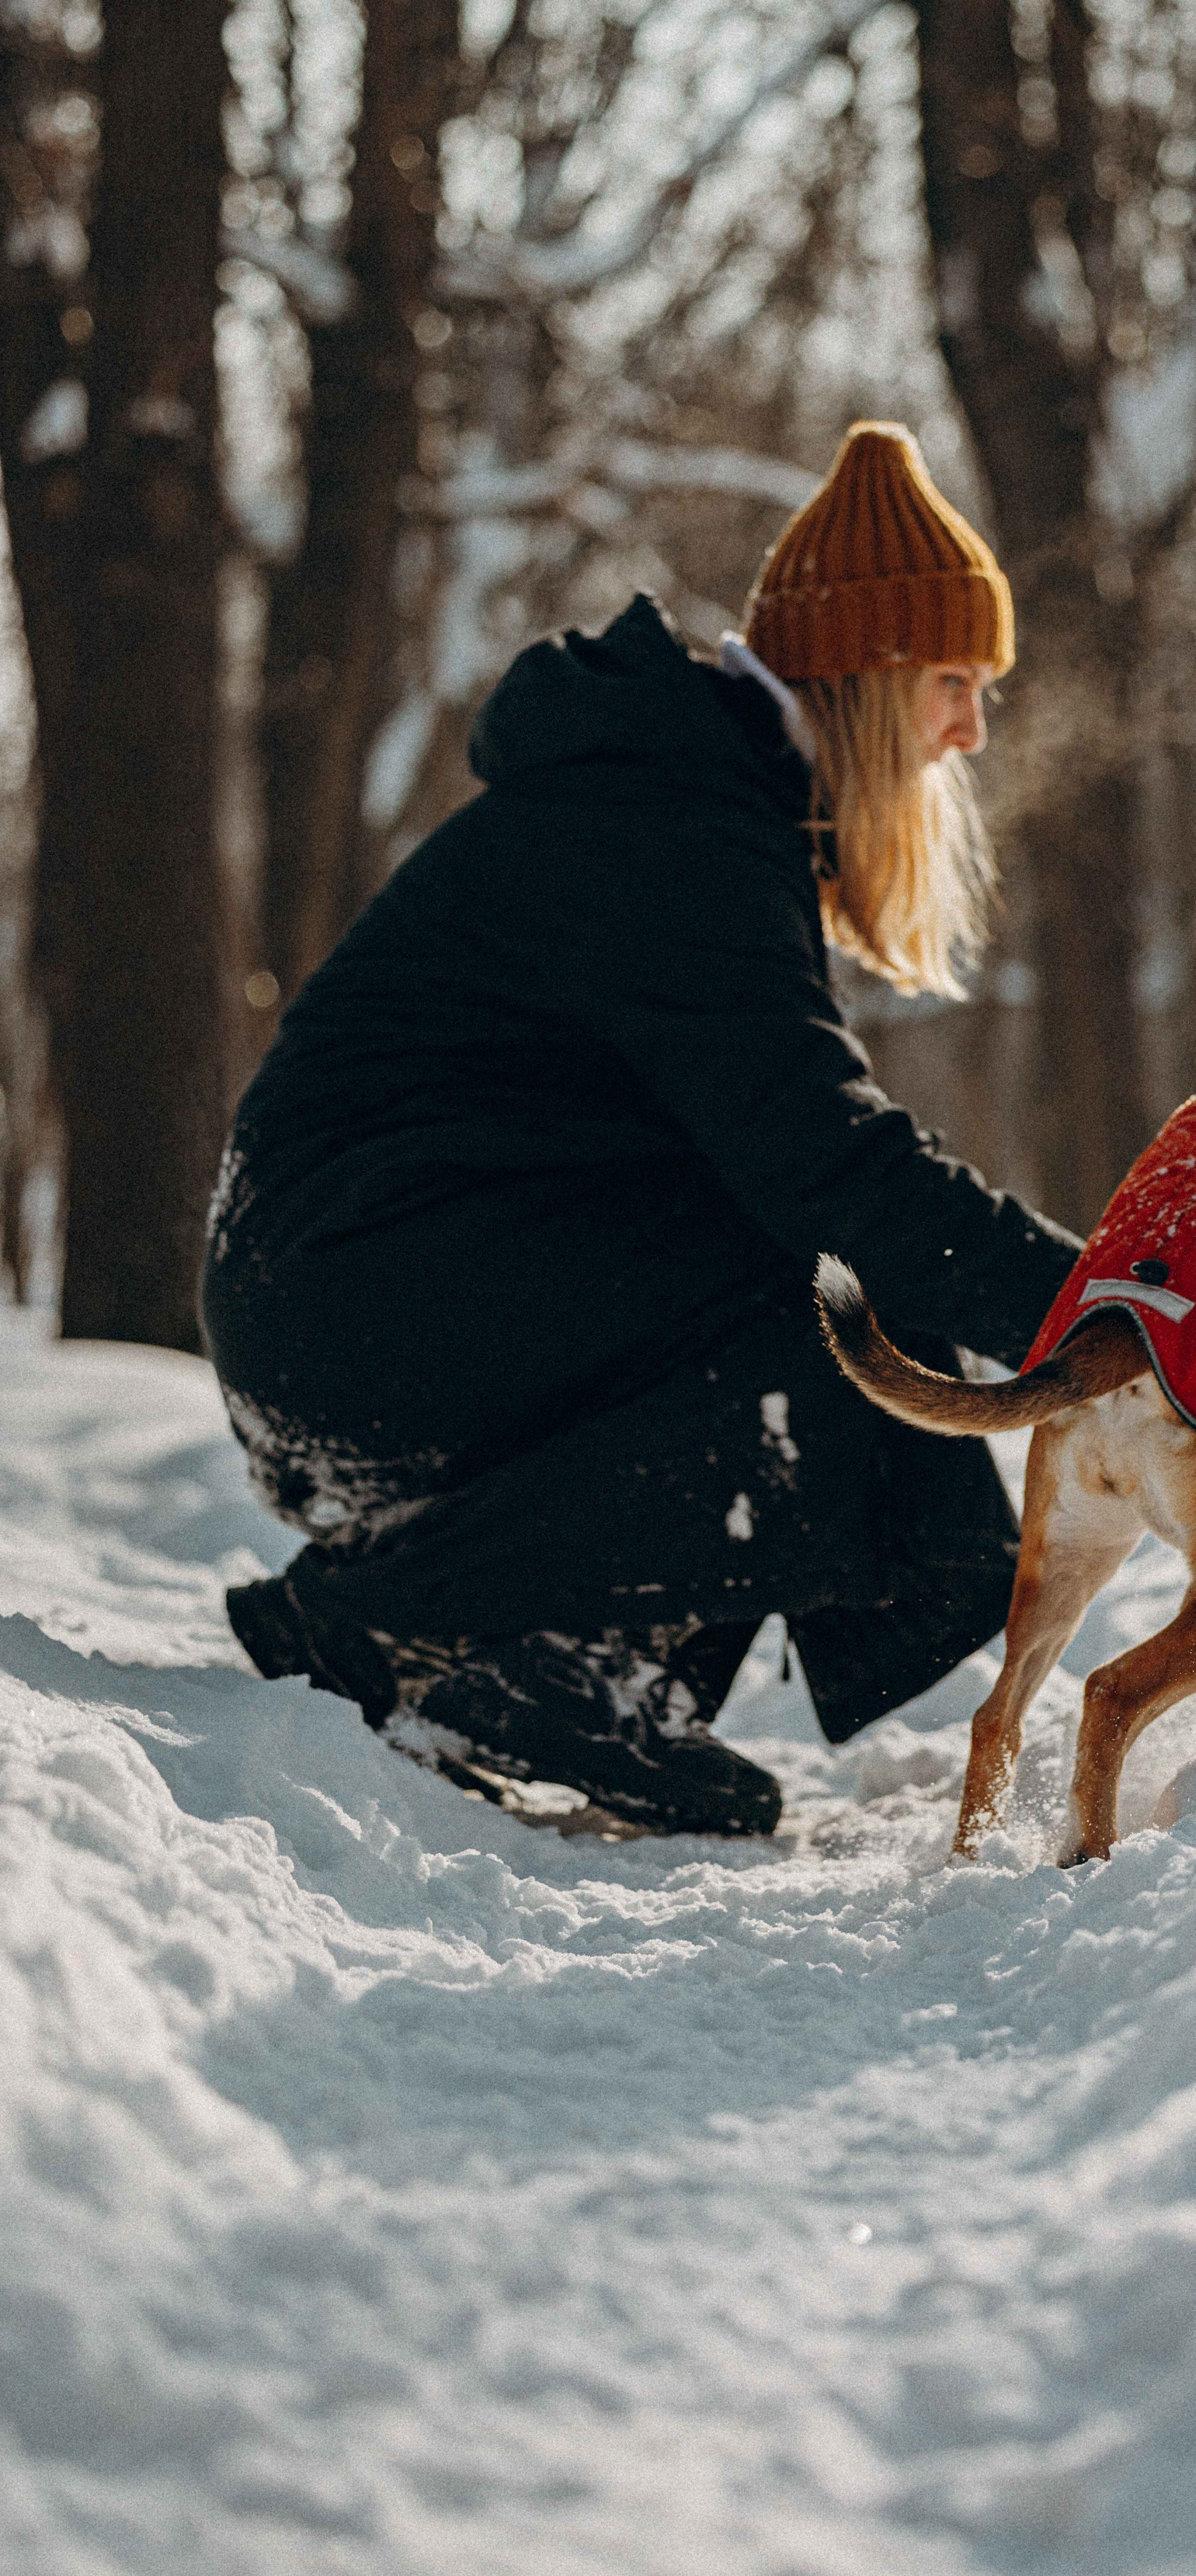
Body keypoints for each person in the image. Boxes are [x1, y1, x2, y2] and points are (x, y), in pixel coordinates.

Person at [208, 422, 1079, 1835]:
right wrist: (1094, 1302)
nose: (973, 727)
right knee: (828, 1292)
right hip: (345, 1312)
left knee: (814, 1272)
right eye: (954, 682)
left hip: (368, 1290)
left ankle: (581, 1667)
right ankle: (391, 1628)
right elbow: (824, 1161)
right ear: (862, 679)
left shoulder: (706, 795)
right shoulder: (676, 818)